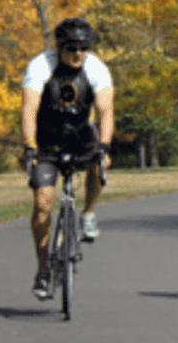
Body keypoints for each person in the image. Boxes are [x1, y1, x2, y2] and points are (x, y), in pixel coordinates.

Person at [21, 17, 114, 300]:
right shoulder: (41, 66)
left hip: (81, 135)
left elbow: (106, 111)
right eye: (72, 48)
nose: (78, 53)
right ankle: (43, 269)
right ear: (59, 47)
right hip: (47, 139)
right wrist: (29, 145)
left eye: (84, 47)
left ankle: (88, 213)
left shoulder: (96, 68)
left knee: (101, 163)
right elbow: (28, 108)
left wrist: (105, 145)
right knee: (42, 205)